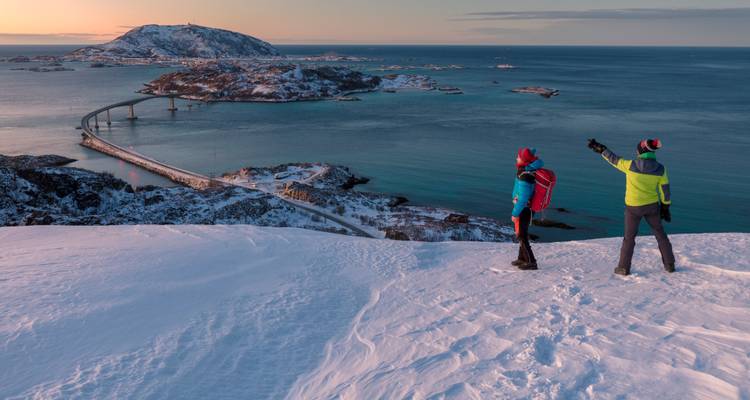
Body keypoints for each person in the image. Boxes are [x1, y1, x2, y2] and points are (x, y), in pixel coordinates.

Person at [588, 138, 676, 275]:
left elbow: (614, 159)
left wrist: (601, 149)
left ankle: (623, 268)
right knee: (660, 234)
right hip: (652, 207)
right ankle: (670, 265)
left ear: (641, 151)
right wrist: (666, 207)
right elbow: (665, 191)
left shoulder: (631, 165)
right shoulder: (661, 169)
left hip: (633, 208)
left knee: (629, 238)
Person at [511, 147, 544, 270]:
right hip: (528, 208)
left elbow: (523, 198)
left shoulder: (526, 176)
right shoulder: (527, 170)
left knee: (522, 235)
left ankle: (531, 261)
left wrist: (515, 213)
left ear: (524, 159)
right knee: (521, 232)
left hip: (524, 208)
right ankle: (522, 258)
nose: (516, 158)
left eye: (518, 157)